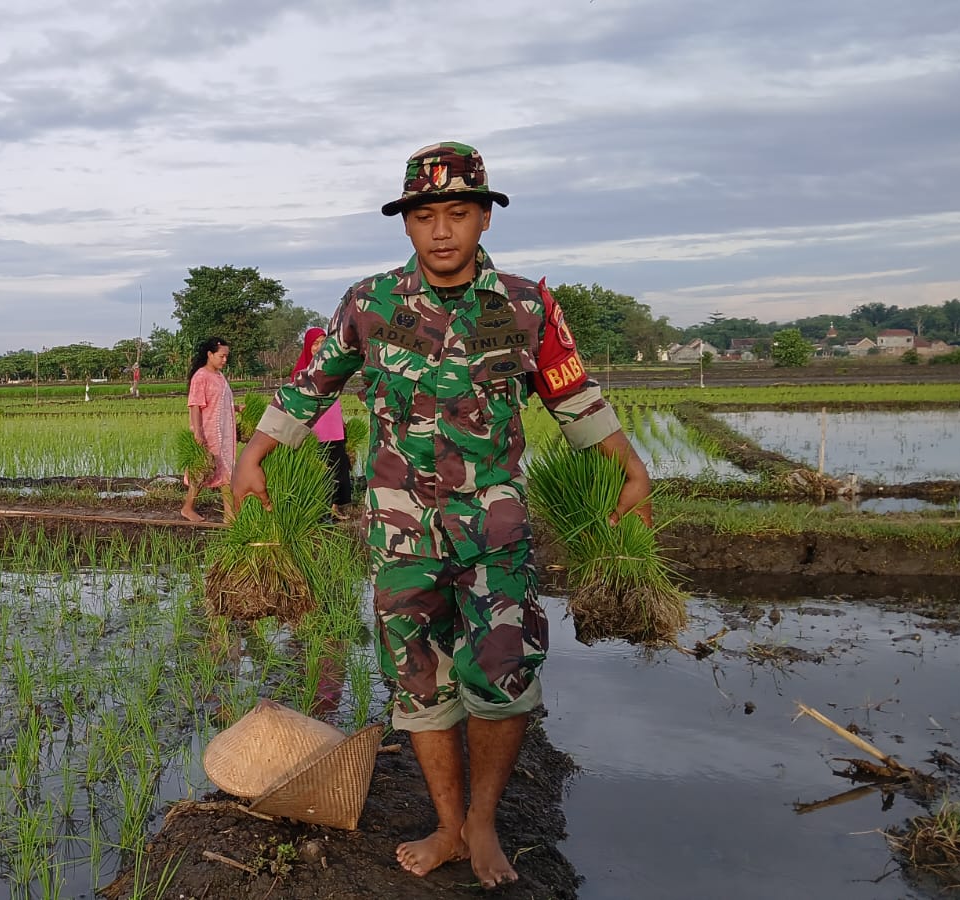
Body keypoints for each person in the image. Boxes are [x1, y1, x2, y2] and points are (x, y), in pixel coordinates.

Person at [232, 142, 653, 889]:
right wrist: (253, 453)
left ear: (484, 217)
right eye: (425, 215)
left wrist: (630, 465)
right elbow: (311, 384)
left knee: (503, 676)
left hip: (496, 531)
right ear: (407, 226)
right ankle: (449, 824)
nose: (441, 230)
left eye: (458, 212)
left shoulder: (525, 306)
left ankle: (484, 821)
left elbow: (571, 391)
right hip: (402, 533)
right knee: (419, 683)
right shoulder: (370, 305)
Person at [292, 326, 351, 519]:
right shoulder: (301, 373)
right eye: (315, 343)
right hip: (314, 429)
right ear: (308, 346)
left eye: (323, 343)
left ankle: (335, 508)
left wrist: (342, 422)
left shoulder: (332, 369)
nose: (319, 347)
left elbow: (336, 398)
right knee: (318, 470)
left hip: (334, 427)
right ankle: (318, 509)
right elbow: (297, 404)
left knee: (339, 468)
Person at [181, 336, 237, 522]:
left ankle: (230, 515)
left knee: (227, 473)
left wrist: (237, 408)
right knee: (203, 471)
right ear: (210, 354)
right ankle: (188, 508)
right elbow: (195, 405)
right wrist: (198, 431)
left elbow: (219, 401)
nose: (224, 360)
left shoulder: (219, 376)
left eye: (226, 357)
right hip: (210, 432)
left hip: (225, 434)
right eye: (221, 356)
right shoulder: (201, 376)